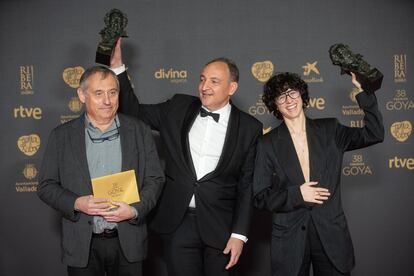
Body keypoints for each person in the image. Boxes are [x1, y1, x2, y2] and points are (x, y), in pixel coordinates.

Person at [110, 39, 262, 276]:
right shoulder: (178, 106)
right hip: (177, 222)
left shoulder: (250, 127)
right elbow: (134, 112)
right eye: (202, 79)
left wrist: (239, 235)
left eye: (214, 81)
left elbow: (246, 185)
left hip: (221, 226)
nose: (204, 86)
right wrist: (118, 68)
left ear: (232, 88)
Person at [37, 66, 165, 276]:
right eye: (98, 93)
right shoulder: (61, 136)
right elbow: (46, 185)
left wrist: (135, 210)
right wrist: (77, 203)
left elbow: (155, 178)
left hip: (128, 241)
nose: (107, 100)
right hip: (82, 243)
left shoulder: (139, 130)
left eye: (112, 92)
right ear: (81, 95)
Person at [253, 72, 384, 276]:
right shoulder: (267, 143)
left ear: (302, 96)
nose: (289, 101)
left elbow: (374, 133)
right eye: (281, 97)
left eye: (292, 93)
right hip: (290, 239)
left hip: (331, 235)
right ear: (275, 105)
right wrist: (297, 194)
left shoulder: (330, 129)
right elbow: (260, 196)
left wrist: (364, 91)